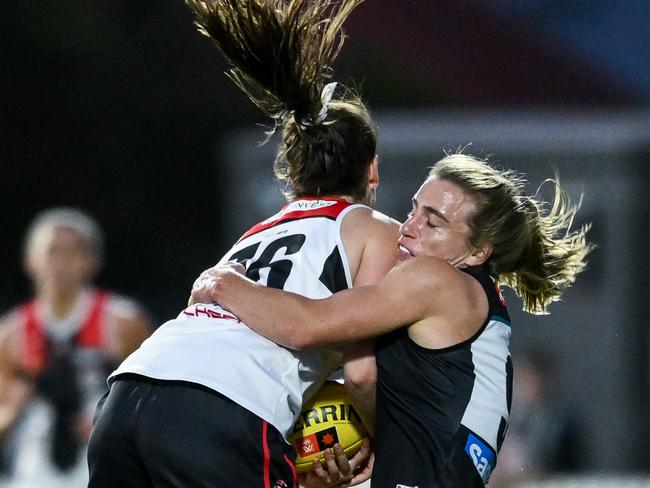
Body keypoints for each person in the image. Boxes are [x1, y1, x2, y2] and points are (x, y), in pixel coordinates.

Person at [87, 1, 398, 486]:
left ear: (292, 173)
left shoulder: (256, 232)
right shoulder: (374, 228)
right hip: (222, 409)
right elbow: (361, 373)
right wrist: (386, 439)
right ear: (372, 168)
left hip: (129, 394)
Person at [190, 153, 592, 487]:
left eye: (432, 222)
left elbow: (305, 326)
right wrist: (379, 439)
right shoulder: (476, 307)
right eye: (413, 210)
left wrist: (226, 283)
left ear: (477, 252)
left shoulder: (437, 280)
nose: (407, 228)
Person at [0, 208, 152, 488]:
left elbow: (149, 407)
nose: (61, 263)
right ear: (30, 260)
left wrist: (110, 424)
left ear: (92, 262)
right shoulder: (11, 333)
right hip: (32, 469)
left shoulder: (123, 321)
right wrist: (17, 404)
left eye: (73, 252)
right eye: (52, 251)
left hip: (99, 460)